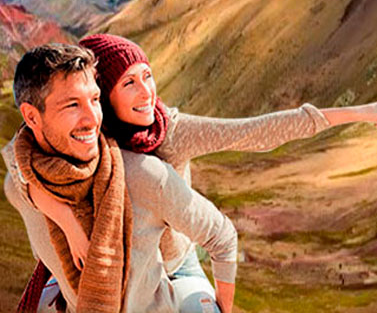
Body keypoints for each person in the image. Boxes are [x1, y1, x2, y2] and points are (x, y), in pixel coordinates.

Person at [14, 36, 377, 311]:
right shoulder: (87, 135)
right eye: (129, 83)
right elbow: (20, 163)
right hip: (127, 271)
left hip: (177, 261)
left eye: (148, 76)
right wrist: (65, 219)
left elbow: (258, 132)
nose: (147, 93)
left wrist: (360, 113)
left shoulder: (169, 132)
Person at [3, 44, 238, 312]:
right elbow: (16, 158)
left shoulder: (142, 175)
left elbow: (222, 236)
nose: (93, 119)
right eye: (72, 104)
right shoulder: (20, 187)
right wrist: (66, 221)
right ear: (31, 116)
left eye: (94, 99)